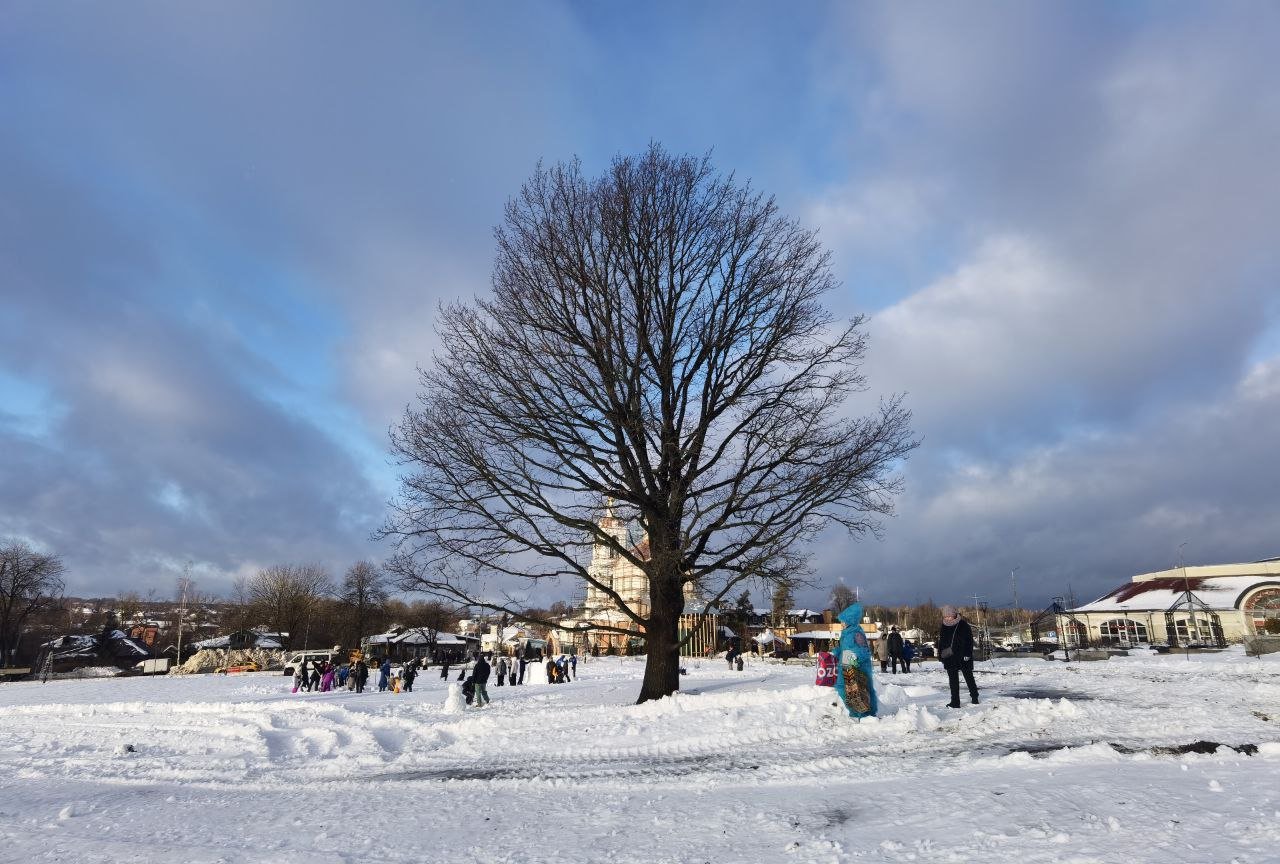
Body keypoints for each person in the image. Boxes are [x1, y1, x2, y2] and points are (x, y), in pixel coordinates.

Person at [938, 605, 979, 707]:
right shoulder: (944, 626)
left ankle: (974, 697)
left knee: (968, 677)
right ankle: (955, 702)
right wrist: (940, 654)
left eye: (949, 616)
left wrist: (967, 654)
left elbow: (969, 641)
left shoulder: (963, 625)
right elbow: (941, 642)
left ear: (955, 615)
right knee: (953, 681)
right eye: (945, 617)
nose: (947, 618)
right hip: (949, 656)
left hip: (963, 656)